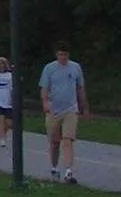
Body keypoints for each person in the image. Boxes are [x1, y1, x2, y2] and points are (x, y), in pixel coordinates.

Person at [38, 43, 88, 183]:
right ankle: (54, 167)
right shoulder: (49, 68)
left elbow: (80, 87)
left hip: (70, 109)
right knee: (55, 142)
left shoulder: (75, 67)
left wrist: (84, 106)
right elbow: (44, 88)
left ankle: (68, 171)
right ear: (56, 55)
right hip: (54, 109)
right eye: (60, 54)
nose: (63, 57)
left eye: (65, 54)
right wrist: (45, 102)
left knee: (67, 140)